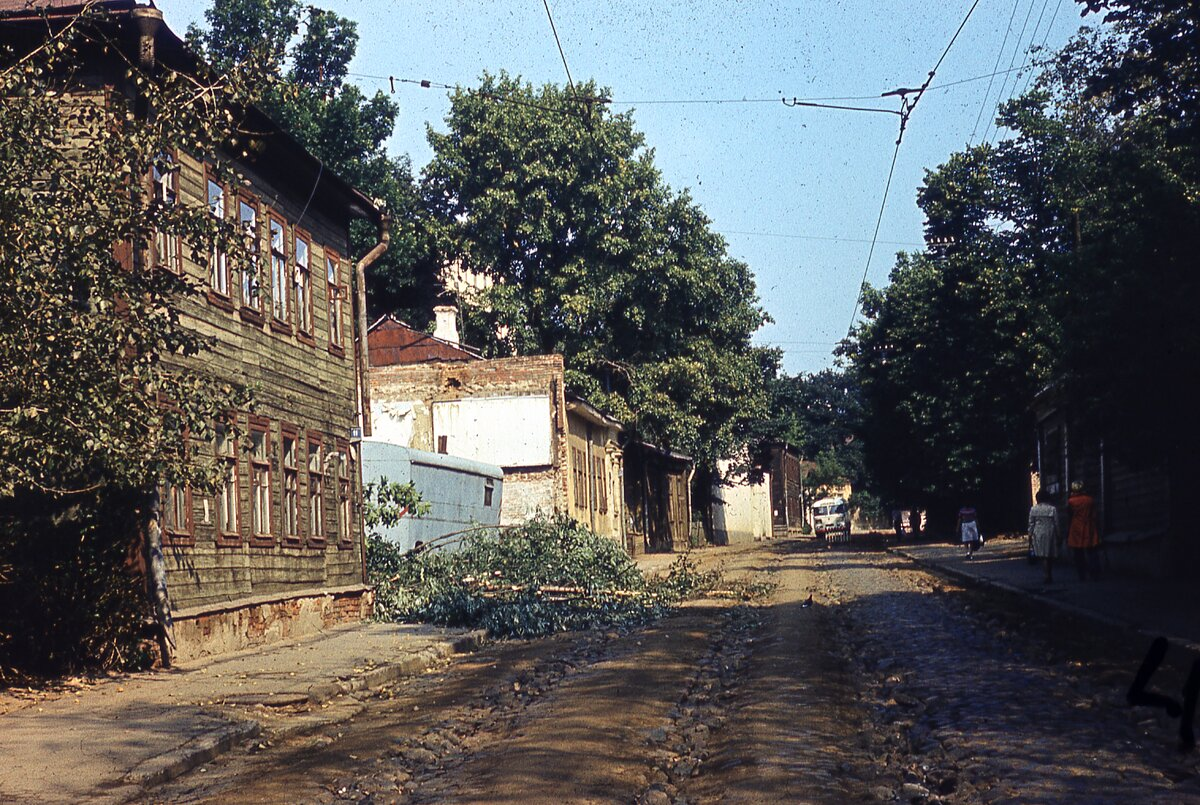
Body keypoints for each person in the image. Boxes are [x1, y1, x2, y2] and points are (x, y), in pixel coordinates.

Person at [1066, 480, 1100, 580]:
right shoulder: (1089, 500)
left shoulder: (1071, 502)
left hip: (1076, 527)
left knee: (1078, 553)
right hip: (1089, 526)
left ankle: (1082, 574)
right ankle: (1094, 572)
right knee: (1092, 551)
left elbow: (1069, 515)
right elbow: (1094, 514)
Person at [1027, 489, 1060, 584]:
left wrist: (1030, 535)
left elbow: (1031, 523)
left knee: (1043, 555)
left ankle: (1046, 575)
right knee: (1049, 554)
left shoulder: (1034, 509)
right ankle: (1049, 573)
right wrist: (1059, 534)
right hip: (1050, 532)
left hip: (1038, 533)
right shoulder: (1052, 509)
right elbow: (1056, 523)